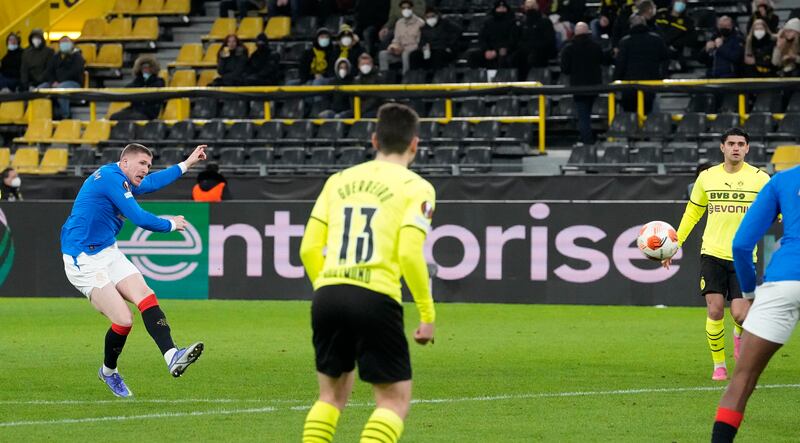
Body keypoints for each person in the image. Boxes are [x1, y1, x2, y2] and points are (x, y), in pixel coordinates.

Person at [299, 103, 436, 443]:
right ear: (414, 144)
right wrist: (427, 313)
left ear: (374, 140)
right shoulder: (417, 187)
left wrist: (328, 287)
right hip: (376, 297)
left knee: (330, 397)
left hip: (328, 293)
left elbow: (308, 249)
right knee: (393, 400)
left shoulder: (338, 180)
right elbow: (407, 252)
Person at [61, 143, 208, 397]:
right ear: (124, 162)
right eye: (142, 164)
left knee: (146, 295)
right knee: (123, 320)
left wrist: (187, 164)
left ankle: (172, 355)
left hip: (108, 250)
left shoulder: (124, 179)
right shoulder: (110, 178)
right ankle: (108, 372)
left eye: (149, 165)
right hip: (82, 257)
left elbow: (151, 183)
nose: (146, 169)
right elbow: (138, 217)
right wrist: (170, 224)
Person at [664, 128, 770, 382]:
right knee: (715, 310)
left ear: (747, 148)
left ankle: (738, 334)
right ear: (722, 147)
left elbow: (775, 210)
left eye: (741, 143)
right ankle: (719, 366)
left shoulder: (761, 179)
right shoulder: (707, 178)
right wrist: (674, 244)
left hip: (743, 256)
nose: (736, 147)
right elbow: (692, 213)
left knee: (741, 314)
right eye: (731, 143)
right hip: (711, 252)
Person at [710, 146, 800, 443]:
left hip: (784, 281)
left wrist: (748, 294)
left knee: (742, 381)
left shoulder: (783, 180)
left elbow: (741, 244)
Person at [614, 13, 669, 113]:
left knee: (630, 116)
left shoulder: (625, 42)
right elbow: (665, 59)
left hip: (629, 86)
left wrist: (615, 81)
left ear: (630, 25)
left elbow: (620, 65)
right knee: (648, 115)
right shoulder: (656, 39)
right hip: (650, 85)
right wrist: (661, 77)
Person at [560, 22, 605, 145]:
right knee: (586, 113)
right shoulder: (596, 46)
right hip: (594, 86)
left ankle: (587, 140)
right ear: (588, 32)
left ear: (575, 33)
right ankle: (587, 137)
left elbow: (565, 69)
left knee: (583, 115)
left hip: (578, 87)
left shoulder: (568, 48)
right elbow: (603, 60)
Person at [41, 36, 85, 119]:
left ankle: (65, 115)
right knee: (41, 88)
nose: (64, 44)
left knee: (61, 89)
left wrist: (59, 82)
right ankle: (43, 116)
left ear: (72, 44)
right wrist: (53, 81)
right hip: (56, 83)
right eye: (62, 42)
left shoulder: (78, 57)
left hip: (73, 83)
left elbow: (75, 72)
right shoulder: (56, 57)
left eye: (66, 41)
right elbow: (48, 72)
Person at [110, 55, 166, 121]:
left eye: (148, 68)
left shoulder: (159, 81)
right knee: (114, 117)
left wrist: (147, 81)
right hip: (135, 109)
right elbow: (127, 88)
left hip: (149, 111)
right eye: (143, 68)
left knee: (135, 118)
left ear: (153, 69)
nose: (145, 70)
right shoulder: (138, 81)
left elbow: (155, 91)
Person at [513, 0, 557, 81]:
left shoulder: (545, 21)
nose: (530, 9)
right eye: (528, 7)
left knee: (533, 57)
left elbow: (550, 41)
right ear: (524, 8)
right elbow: (517, 40)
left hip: (542, 52)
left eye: (532, 7)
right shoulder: (522, 23)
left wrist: (534, 47)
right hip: (525, 52)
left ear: (537, 7)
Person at [469, 0, 519, 69]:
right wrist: (486, 50)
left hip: (504, 50)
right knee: (473, 55)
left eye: (503, 7)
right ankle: (475, 78)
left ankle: (502, 78)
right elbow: (482, 38)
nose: (501, 9)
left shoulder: (512, 22)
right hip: (489, 50)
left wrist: (498, 51)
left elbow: (513, 40)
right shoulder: (488, 23)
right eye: (499, 8)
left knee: (504, 57)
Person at [408, 7, 462, 72]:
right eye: (428, 17)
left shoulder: (445, 23)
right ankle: (416, 77)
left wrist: (449, 45)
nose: (430, 18)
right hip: (430, 50)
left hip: (444, 49)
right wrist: (423, 48)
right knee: (414, 55)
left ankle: (437, 77)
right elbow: (421, 42)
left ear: (437, 16)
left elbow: (458, 30)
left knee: (437, 55)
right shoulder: (424, 28)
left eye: (432, 16)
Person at [378, 0, 424, 74]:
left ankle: (406, 79)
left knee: (405, 54)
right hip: (399, 51)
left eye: (408, 8)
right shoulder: (399, 23)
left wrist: (404, 49)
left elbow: (419, 44)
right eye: (403, 8)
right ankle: (385, 79)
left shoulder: (420, 23)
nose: (406, 10)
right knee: (383, 54)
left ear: (412, 9)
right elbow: (396, 40)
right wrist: (393, 47)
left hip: (413, 52)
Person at [654, 0, 694, 71]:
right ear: (673, 2)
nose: (681, 4)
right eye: (679, 1)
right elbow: (655, 30)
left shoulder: (688, 21)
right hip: (658, 46)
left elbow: (688, 38)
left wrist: (674, 46)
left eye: (683, 2)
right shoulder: (661, 15)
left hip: (675, 51)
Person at [354, 53, 386, 117]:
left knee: (365, 116)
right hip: (358, 109)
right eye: (363, 64)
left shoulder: (379, 77)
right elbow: (352, 97)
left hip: (375, 108)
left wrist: (361, 111)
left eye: (367, 64)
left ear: (372, 65)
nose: (365, 66)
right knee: (340, 116)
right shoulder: (356, 79)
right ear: (358, 66)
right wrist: (356, 111)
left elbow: (375, 98)